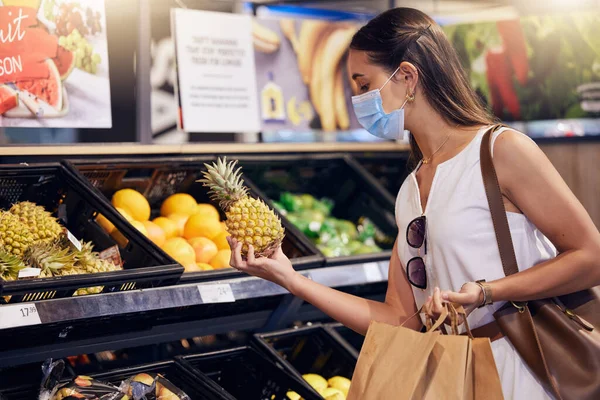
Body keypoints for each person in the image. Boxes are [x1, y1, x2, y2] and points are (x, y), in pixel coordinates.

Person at [227, 7, 600, 399]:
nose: (358, 100)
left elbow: (591, 256)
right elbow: (398, 321)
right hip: (452, 377)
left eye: (363, 84)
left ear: (406, 76)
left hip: (520, 373)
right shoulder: (409, 190)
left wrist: (488, 291)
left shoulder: (500, 151)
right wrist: (291, 279)